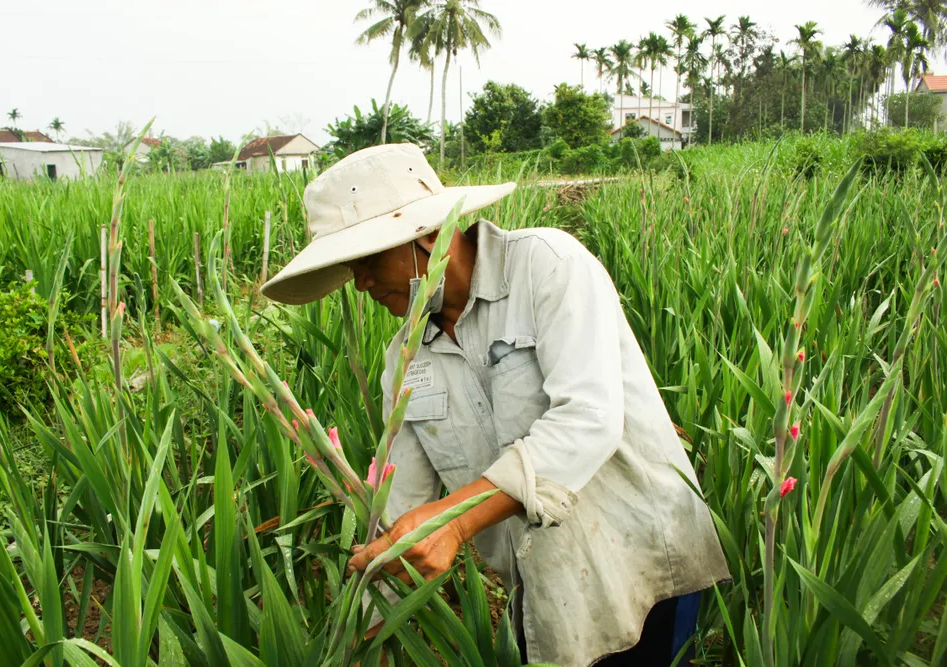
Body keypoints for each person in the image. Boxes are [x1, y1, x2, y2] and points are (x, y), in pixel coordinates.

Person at [261, 143, 730, 666]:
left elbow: (589, 419)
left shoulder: (547, 266)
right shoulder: (405, 359)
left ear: (427, 233)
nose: (362, 281)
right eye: (351, 267)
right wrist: (360, 628)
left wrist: (456, 522)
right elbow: (409, 511)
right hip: (544, 586)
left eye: (368, 259)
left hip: (644, 553)